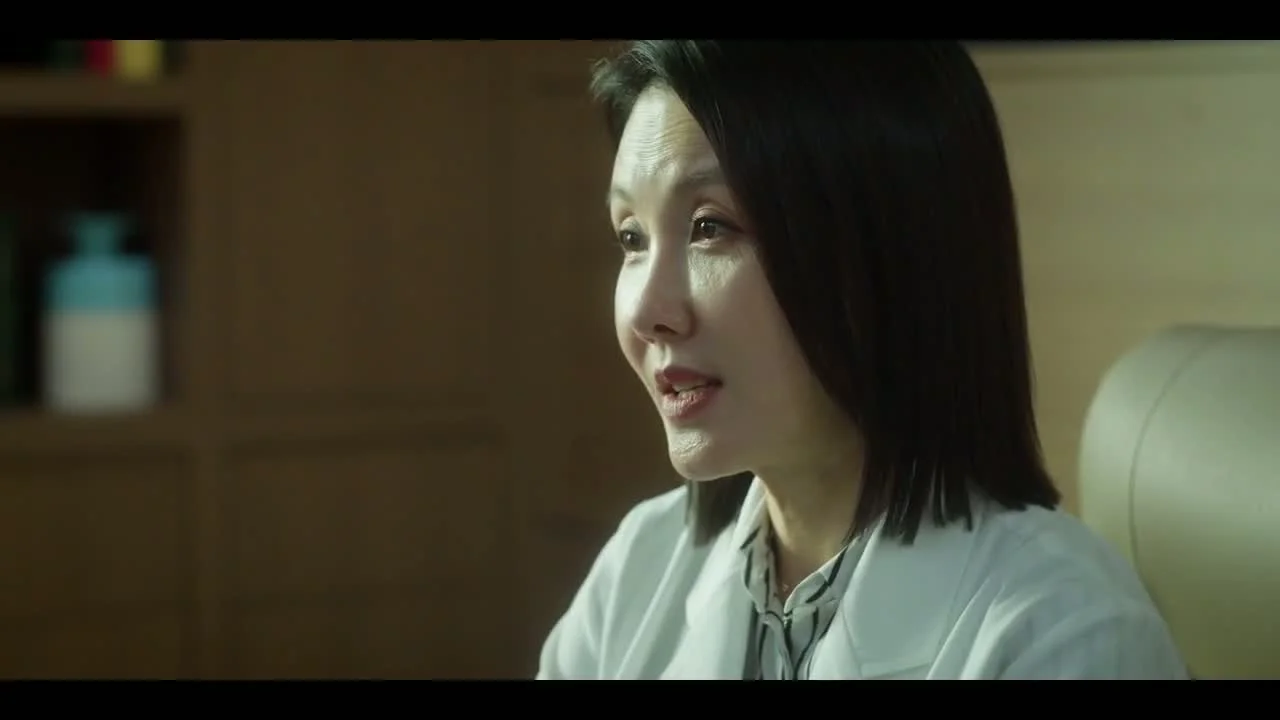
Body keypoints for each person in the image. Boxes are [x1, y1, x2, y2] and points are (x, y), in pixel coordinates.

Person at [536, 40, 1189, 680]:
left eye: (710, 226)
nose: (646, 311)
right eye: (631, 237)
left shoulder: (1067, 634)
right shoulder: (639, 568)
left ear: (885, 251)